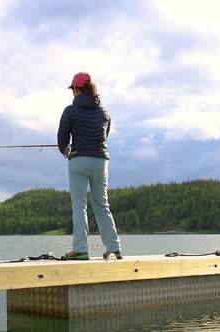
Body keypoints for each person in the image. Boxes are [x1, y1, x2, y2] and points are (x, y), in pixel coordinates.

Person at [57, 72, 122, 260]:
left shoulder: (70, 111)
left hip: (78, 159)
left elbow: (62, 139)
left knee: (79, 205)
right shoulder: (105, 112)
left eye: (73, 89)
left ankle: (81, 249)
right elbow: (104, 136)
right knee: (102, 204)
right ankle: (114, 246)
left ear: (77, 89)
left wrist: (65, 150)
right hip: (101, 160)